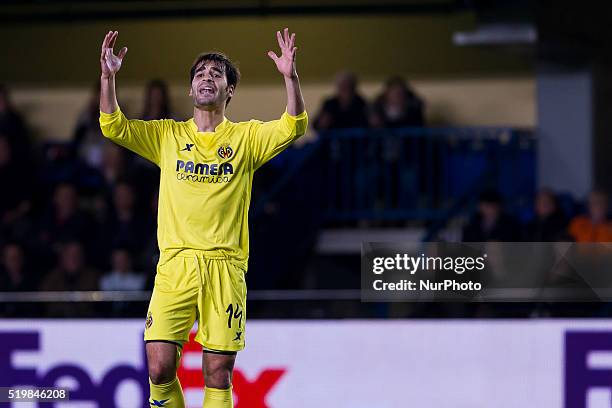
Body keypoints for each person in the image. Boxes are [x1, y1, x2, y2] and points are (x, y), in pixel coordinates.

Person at [98, 28, 307, 407]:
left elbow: (294, 125)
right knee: (159, 368)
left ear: (229, 91)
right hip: (175, 265)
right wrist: (108, 78)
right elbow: (113, 126)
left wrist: (290, 78)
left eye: (216, 73)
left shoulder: (246, 139)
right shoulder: (168, 136)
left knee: (217, 373)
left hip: (225, 267)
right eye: (199, 73)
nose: (206, 76)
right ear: (191, 90)